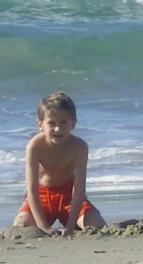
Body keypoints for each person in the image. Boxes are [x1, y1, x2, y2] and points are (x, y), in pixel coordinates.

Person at [13, 92, 106, 236]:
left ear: (73, 123)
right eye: (51, 123)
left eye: (64, 123)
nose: (58, 129)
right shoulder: (35, 146)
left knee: (97, 225)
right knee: (21, 226)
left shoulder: (79, 146)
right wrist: (43, 227)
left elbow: (79, 189)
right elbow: (31, 189)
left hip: (69, 197)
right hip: (42, 196)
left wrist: (69, 228)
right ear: (40, 124)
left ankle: (72, 224)